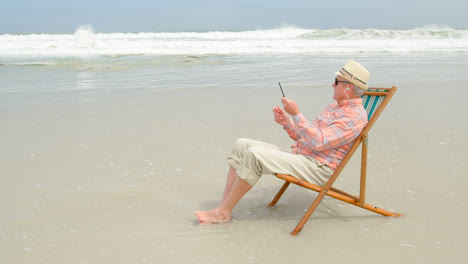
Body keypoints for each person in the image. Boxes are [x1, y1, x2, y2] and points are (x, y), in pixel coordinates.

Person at [195, 60, 370, 224]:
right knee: (242, 144)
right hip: (302, 156)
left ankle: (222, 213)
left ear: (348, 88)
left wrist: (296, 114)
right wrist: (287, 123)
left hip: (317, 167)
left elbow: (320, 142)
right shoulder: (334, 107)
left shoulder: (355, 116)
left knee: (254, 155)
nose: (332, 85)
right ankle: (224, 206)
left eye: (336, 81)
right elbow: (307, 138)